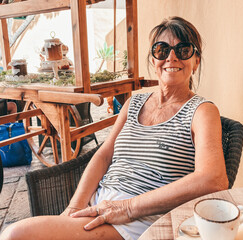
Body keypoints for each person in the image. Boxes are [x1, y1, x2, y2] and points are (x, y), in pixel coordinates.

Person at [1, 16, 229, 240]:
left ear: (196, 60)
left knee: (15, 234)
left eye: (183, 50)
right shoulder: (134, 103)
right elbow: (105, 154)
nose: (171, 57)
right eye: (161, 49)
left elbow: (213, 179)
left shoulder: (201, 111)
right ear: (153, 59)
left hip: (140, 221)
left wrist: (128, 208)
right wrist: (73, 207)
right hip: (100, 206)